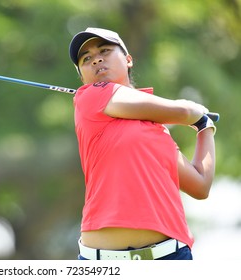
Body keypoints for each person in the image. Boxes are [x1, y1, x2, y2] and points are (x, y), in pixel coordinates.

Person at [68, 27, 216, 260]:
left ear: (128, 59)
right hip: (103, 263)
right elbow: (184, 111)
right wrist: (195, 112)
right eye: (86, 59)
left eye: (105, 51)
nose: (96, 58)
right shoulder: (90, 95)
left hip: (169, 258)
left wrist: (205, 128)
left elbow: (200, 185)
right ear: (82, 77)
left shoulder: (157, 130)